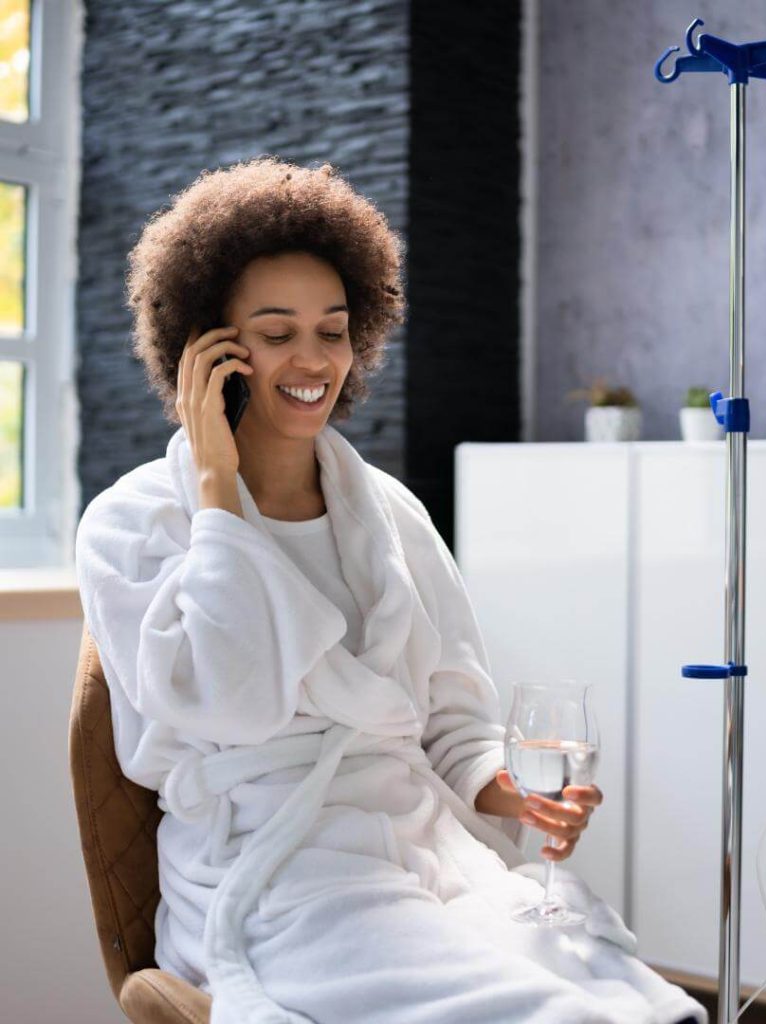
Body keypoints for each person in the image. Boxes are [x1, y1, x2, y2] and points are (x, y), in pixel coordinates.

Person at [74, 156, 706, 1024]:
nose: (312, 359)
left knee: (634, 999)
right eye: (274, 332)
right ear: (206, 350)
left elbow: (452, 719)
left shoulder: (390, 514)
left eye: (332, 331)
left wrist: (509, 790)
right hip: (279, 876)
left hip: (424, 849)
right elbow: (229, 704)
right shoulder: (136, 523)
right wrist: (218, 493)